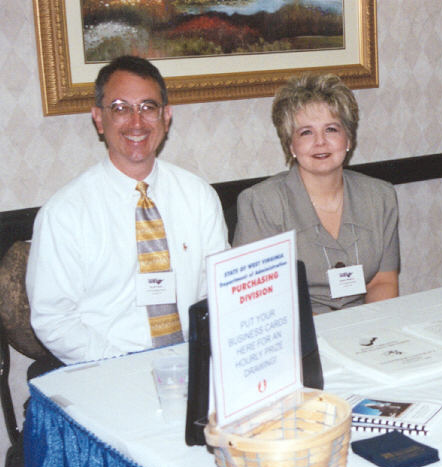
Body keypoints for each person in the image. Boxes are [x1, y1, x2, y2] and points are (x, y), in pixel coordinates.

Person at [25, 55, 230, 366]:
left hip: (193, 364)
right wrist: (122, 365)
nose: (137, 122)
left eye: (148, 107)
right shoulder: (65, 214)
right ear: (98, 117)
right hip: (105, 371)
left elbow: (217, 291)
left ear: (166, 116)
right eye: (121, 108)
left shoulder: (199, 196)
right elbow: (53, 319)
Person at [233, 73, 399, 314]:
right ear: (290, 145)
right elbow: (265, 299)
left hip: (365, 329)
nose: (320, 142)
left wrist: (369, 331)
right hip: (299, 333)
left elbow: (383, 282)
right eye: (306, 132)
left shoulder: (380, 196)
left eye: (331, 129)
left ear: (348, 138)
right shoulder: (261, 203)